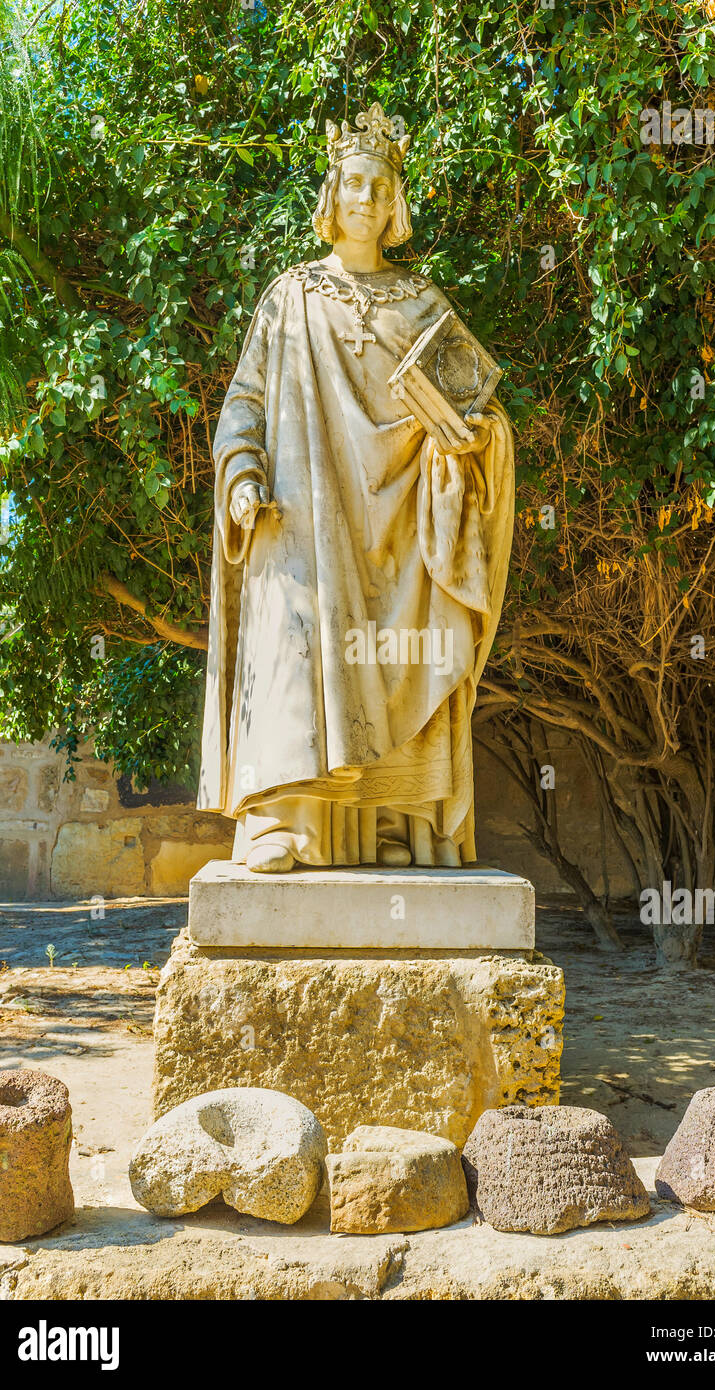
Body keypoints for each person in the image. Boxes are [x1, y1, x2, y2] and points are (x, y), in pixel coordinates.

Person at [197, 103, 514, 872]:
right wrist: (243, 475)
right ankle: (285, 822)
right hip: (302, 517)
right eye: (354, 183)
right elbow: (245, 401)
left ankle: (395, 823)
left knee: (403, 652)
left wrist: (473, 444)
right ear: (331, 200)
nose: (366, 197)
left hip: (406, 526)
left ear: (394, 203)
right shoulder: (291, 296)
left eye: (380, 184)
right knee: (293, 644)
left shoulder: (423, 303)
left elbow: (481, 411)